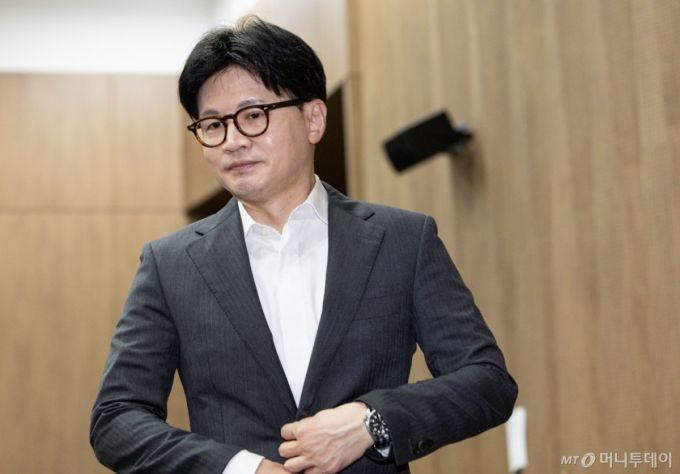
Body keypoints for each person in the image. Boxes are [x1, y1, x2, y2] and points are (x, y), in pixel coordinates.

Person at [90, 16, 517, 474]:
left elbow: (486, 381)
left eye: (253, 116)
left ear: (314, 119)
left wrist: (371, 422)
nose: (232, 141)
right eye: (213, 125)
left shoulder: (402, 240)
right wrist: (240, 468)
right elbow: (117, 419)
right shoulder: (169, 264)